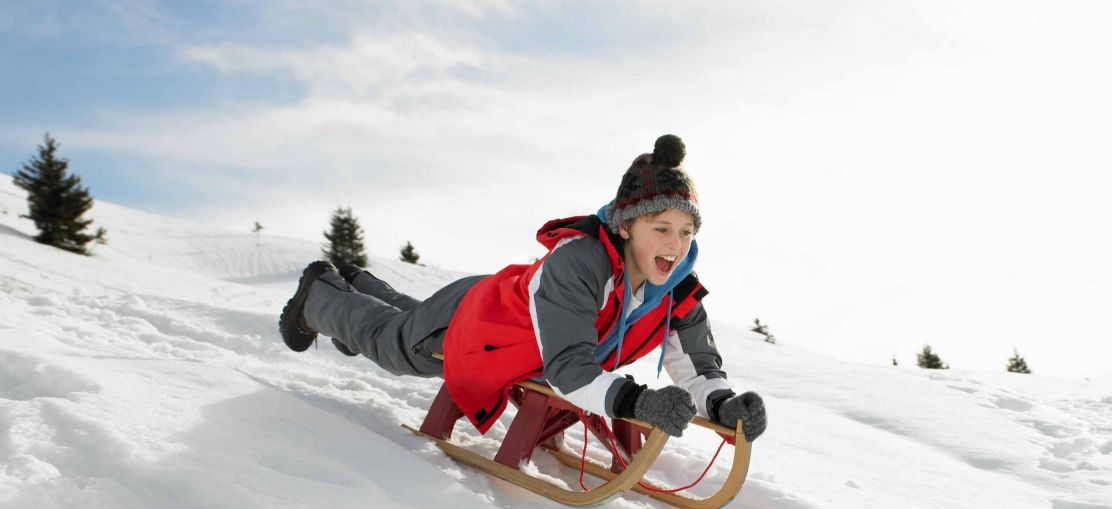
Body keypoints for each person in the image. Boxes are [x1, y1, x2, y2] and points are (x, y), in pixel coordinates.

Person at [279, 134, 767, 442]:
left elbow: (698, 363)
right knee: (393, 345)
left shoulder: (678, 290)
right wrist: (638, 403)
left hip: (513, 328)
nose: (675, 246)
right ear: (625, 226)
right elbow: (571, 370)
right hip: (479, 321)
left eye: (686, 233)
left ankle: (359, 282)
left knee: (405, 322)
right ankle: (319, 293)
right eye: (662, 228)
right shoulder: (580, 263)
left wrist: (724, 404)